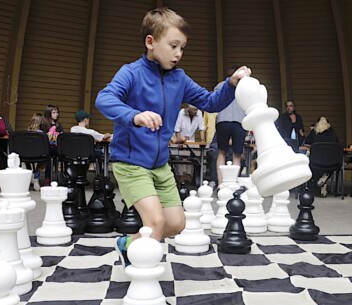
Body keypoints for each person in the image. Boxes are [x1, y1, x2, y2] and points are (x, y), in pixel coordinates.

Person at [95, 7, 250, 263]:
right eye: (173, 45)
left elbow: (210, 102)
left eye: (182, 48)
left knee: (176, 224)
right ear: (150, 42)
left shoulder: (180, 79)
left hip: (160, 165)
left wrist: (230, 83)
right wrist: (134, 115)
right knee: (155, 222)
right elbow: (105, 98)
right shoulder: (131, 73)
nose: (178, 54)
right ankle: (141, 278)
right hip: (131, 163)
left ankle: (127, 243)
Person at [215, 65, 247, 186]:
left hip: (223, 121)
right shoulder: (244, 87)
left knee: (222, 152)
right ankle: (233, 184)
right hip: (239, 122)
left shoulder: (220, 85)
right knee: (237, 155)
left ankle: (220, 184)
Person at [304, 116, 339, 197]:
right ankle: (324, 179)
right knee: (332, 166)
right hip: (331, 161)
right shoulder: (332, 132)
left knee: (311, 165)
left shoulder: (315, 131)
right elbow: (337, 144)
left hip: (316, 161)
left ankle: (317, 184)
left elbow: (307, 142)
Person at [41, 104, 63, 184]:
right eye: (54, 112)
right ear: (48, 113)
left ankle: (64, 177)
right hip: (46, 147)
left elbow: (62, 135)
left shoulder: (59, 125)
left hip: (56, 147)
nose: (56, 114)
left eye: (57, 112)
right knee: (49, 160)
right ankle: (47, 178)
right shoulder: (44, 124)